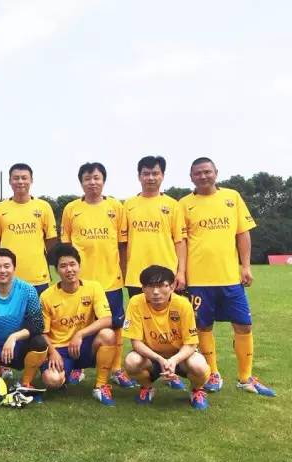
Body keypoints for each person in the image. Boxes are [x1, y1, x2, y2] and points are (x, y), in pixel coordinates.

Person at [179, 157, 275, 396]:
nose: (203, 176)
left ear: (216, 172)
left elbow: (242, 234)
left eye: (207, 171)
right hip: (199, 280)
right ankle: (212, 373)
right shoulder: (184, 204)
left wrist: (246, 266)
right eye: (198, 173)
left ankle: (245, 377)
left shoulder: (232, 197)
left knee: (243, 325)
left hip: (230, 278)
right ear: (191, 177)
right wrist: (181, 272)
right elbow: (181, 241)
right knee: (203, 326)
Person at [60, 162, 135, 388]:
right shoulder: (71, 209)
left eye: (96, 178)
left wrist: (123, 273)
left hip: (110, 281)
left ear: (103, 180)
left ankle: (116, 369)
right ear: (81, 182)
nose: (92, 182)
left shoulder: (116, 207)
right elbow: (66, 247)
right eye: (87, 178)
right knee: (80, 324)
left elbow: (122, 245)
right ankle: (78, 368)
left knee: (115, 326)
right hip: (80, 282)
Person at [121, 156, 187, 390]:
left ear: (162, 175)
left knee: (173, 328)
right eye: (146, 173)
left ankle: (173, 371)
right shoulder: (128, 205)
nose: (150, 177)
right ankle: (147, 379)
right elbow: (122, 243)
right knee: (143, 330)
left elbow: (180, 241)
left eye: (155, 173)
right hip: (137, 278)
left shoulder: (173, 205)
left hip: (167, 278)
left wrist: (181, 271)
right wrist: (124, 271)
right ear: (139, 176)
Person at [122, 265, 211, 410]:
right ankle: (147, 388)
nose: (156, 292)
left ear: (172, 286)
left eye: (161, 286)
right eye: (150, 286)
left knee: (199, 366)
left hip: (180, 357)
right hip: (152, 357)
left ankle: (197, 390)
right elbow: (136, 343)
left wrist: (174, 360)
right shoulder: (136, 302)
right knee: (131, 362)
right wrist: (159, 359)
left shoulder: (183, 304)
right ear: (143, 288)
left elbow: (191, 343)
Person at [40, 244, 117, 406]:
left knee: (108, 334)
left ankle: (100, 386)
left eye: (72, 264)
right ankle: (64, 376)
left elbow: (107, 319)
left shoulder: (94, 287)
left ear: (79, 266)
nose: (69, 269)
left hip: (84, 345)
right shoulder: (47, 296)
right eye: (63, 266)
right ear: (56, 271)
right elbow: (42, 332)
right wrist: (52, 352)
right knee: (52, 380)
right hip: (60, 349)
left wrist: (80, 334)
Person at [0, 248, 48, 387]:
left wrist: (13, 337)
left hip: (18, 346)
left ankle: (25, 383)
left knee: (40, 343)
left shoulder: (28, 290)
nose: (2, 270)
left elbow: (37, 324)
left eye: (7, 266)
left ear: (14, 268)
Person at [0, 163, 57, 295]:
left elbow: (51, 238)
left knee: (39, 309)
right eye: (16, 178)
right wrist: (5, 256)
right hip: (8, 277)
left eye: (24, 178)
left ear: (31, 180)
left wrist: (38, 252)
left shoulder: (44, 207)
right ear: (10, 181)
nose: (20, 182)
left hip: (37, 276)